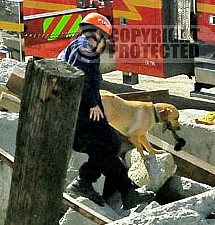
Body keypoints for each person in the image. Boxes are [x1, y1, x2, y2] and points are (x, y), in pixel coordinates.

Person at [59, 12, 155, 209]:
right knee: (111, 144)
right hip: (80, 115)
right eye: (104, 38)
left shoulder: (76, 46)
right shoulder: (86, 48)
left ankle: (128, 191)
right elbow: (82, 78)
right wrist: (94, 103)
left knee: (109, 148)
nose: (104, 45)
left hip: (74, 114)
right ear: (97, 34)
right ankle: (83, 182)